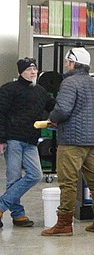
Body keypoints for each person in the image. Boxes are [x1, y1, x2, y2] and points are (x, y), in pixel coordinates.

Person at [41, 47, 94, 236]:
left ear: (73, 63)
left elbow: (62, 109)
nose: (65, 65)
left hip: (72, 140)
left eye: (67, 62)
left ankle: (63, 224)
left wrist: (52, 119)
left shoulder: (69, 83)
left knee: (68, 182)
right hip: (93, 141)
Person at [0, 58, 54, 227]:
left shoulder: (41, 91)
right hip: (13, 139)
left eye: (35, 69)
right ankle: (18, 214)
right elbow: (0, 114)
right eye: (29, 69)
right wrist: (1, 139)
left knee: (35, 174)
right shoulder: (9, 89)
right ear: (20, 71)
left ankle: (1, 205)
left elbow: (54, 106)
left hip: (31, 140)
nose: (33, 72)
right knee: (13, 178)